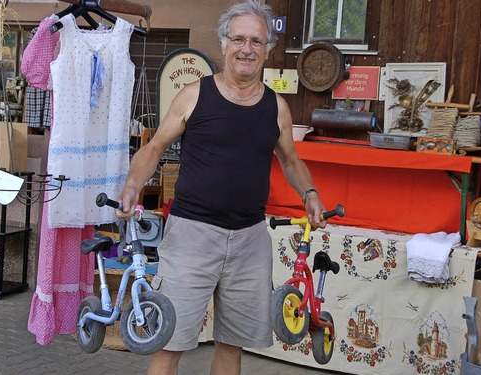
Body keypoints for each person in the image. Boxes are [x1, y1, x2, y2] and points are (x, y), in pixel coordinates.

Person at [116, 1, 327, 374]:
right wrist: (133, 183)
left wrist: (309, 193)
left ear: (267, 49)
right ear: (224, 43)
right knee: (169, 343)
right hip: (192, 237)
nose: (247, 49)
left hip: (249, 240)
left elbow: (291, 161)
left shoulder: (276, 107)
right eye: (239, 39)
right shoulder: (195, 94)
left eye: (257, 42)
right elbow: (154, 147)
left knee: (232, 346)